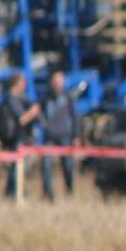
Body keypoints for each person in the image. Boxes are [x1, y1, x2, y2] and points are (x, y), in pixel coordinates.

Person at [0, 73, 40, 199]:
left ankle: (15, 192)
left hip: (19, 137)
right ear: (16, 84)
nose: (25, 85)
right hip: (15, 138)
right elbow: (21, 119)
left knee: (18, 167)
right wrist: (33, 112)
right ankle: (12, 193)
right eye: (22, 82)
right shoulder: (11, 100)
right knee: (17, 168)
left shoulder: (20, 99)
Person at [40, 70, 79, 202]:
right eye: (56, 80)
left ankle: (70, 190)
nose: (58, 83)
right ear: (51, 82)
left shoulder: (68, 98)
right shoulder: (45, 98)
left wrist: (76, 136)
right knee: (46, 165)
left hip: (65, 136)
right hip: (49, 137)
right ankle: (48, 194)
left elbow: (74, 117)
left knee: (67, 166)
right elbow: (39, 115)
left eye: (61, 80)